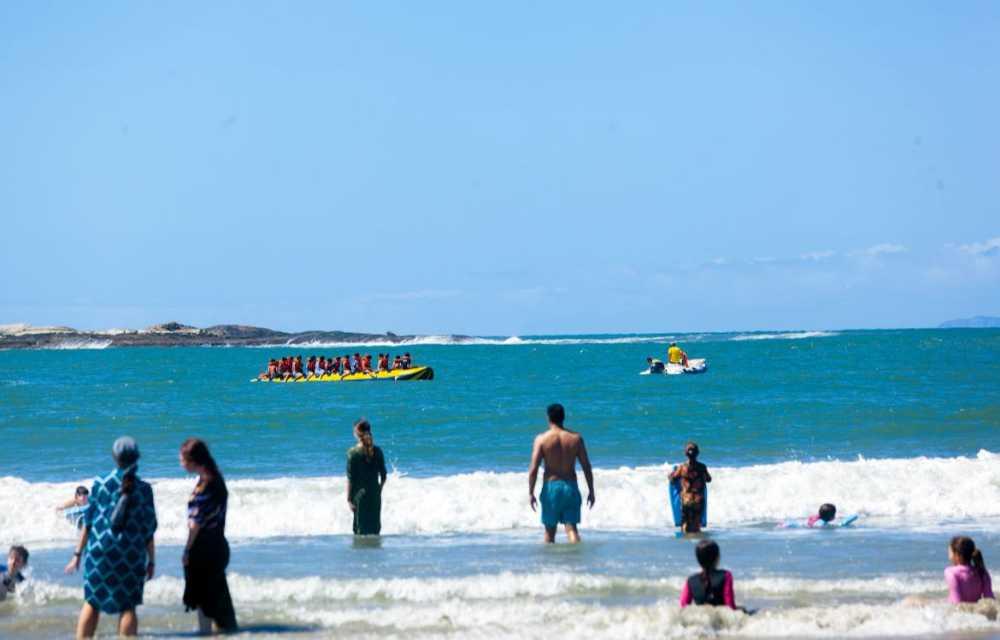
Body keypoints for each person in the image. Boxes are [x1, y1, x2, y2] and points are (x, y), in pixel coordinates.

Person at [65, 436, 157, 639]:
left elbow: (88, 523)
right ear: (137, 458)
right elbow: (149, 530)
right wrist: (151, 561)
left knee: (92, 602)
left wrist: (77, 554)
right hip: (131, 555)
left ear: (115, 457)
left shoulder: (100, 483)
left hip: (100, 554)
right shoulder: (145, 490)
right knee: (128, 607)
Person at [180, 438, 238, 633]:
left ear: (193, 460)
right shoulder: (216, 479)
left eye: (183, 459)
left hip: (204, 550)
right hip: (218, 545)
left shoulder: (205, 485)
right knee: (218, 602)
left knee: (205, 602)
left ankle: (206, 634)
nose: (180, 463)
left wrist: (187, 550)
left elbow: (195, 524)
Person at [528, 403, 595, 544]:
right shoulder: (575, 439)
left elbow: (533, 469)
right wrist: (591, 491)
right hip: (570, 487)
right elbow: (586, 467)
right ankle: (576, 559)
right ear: (563, 417)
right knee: (571, 529)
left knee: (549, 532)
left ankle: (549, 565)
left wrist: (531, 492)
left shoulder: (541, 439)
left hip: (551, 488)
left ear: (548, 418)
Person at [346, 419, 388, 535]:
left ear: (356, 433)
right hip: (374, 494)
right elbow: (384, 476)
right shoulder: (378, 451)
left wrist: (349, 499)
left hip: (359, 495)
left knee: (360, 531)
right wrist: (378, 490)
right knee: (374, 530)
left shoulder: (352, 453)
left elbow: (351, 479)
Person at [680, 540, 741, 610]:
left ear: (698, 559)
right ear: (717, 557)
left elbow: (683, 606)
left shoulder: (690, 581)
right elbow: (730, 606)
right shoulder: (726, 576)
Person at [669, 442, 711, 534]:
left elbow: (673, 479)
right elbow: (709, 479)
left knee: (685, 523)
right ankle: (696, 540)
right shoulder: (702, 467)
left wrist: (670, 475)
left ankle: (685, 542)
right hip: (698, 500)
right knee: (697, 524)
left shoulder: (682, 467)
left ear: (685, 453)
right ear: (698, 453)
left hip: (686, 500)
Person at [946, 536, 993, 604]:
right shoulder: (982, 572)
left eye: (950, 552)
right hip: (976, 613)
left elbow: (956, 601)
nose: (949, 556)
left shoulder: (951, 572)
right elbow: (990, 599)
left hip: (960, 613)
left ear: (957, 555)